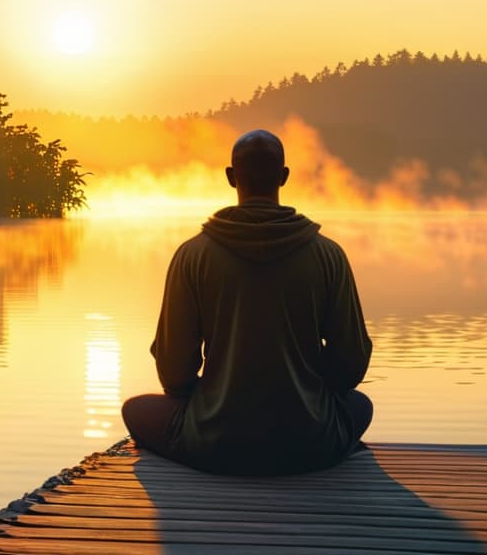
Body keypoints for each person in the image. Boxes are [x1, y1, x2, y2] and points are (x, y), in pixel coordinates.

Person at [121, 129, 373, 475]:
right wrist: (308, 392)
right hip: (310, 441)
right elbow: (350, 365)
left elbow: (174, 373)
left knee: (135, 411)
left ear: (230, 177)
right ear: (283, 177)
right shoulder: (328, 255)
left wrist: (214, 399)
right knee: (360, 406)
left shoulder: (192, 256)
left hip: (217, 442)